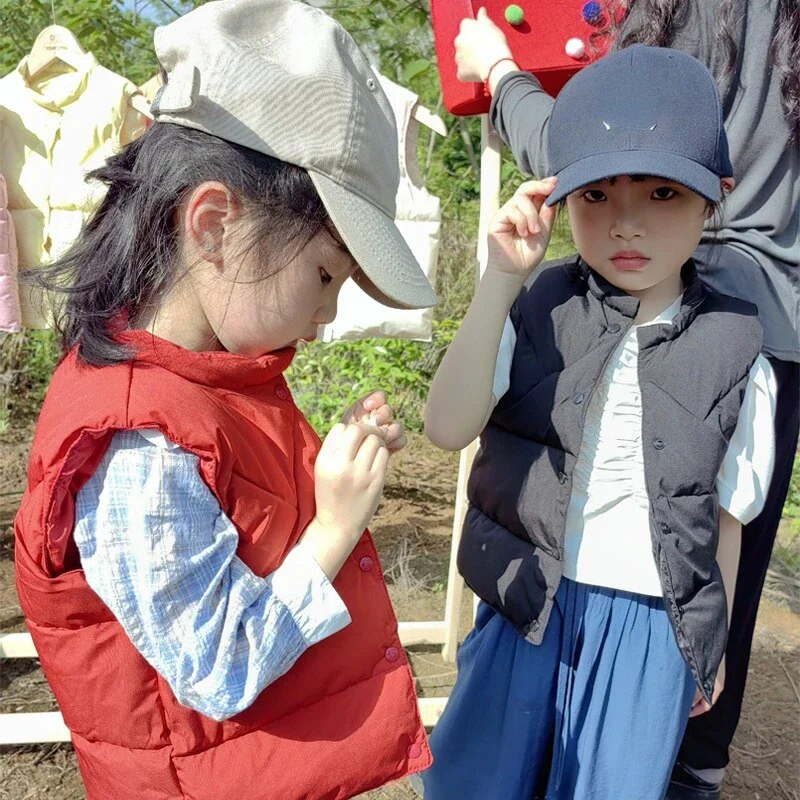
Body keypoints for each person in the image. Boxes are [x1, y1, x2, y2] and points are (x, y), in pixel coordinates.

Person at [13, 2, 437, 798]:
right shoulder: (139, 444)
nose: (330, 313)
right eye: (326, 275)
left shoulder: (204, 374)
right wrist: (337, 523)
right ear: (213, 223)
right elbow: (219, 664)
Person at [453, 4, 799, 797]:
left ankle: (684, 758)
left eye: (664, 192)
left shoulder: (737, 356)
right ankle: (694, 766)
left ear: (712, 194)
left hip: (733, 346)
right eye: (599, 196)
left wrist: (504, 76)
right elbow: (609, 157)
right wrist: (503, 284)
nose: (628, 216)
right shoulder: (544, 305)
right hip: (531, 596)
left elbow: (723, 525)